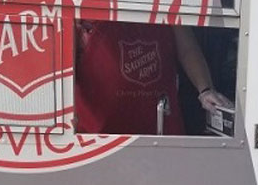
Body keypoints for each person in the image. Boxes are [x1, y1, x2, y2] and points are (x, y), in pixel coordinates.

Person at [74, 20, 230, 135]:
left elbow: (187, 49)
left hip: (160, 130)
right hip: (99, 136)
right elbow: (63, 65)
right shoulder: (84, 0)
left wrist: (205, 90)